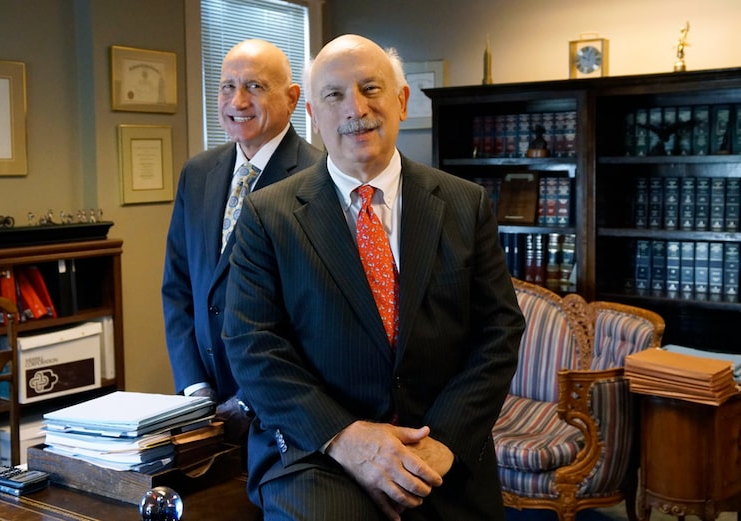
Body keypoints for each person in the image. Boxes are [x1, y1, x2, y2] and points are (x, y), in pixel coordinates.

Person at [223, 34, 525, 520]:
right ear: (313, 116)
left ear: (401, 101)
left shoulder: (465, 204)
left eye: (371, 89)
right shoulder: (267, 215)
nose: (355, 109)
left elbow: (499, 332)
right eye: (334, 95)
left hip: (437, 445)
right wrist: (346, 438)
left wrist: (443, 442)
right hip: (317, 452)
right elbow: (251, 344)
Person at [161, 39, 322, 442]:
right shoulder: (197, 173)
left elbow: (319, 316)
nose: (237, 100)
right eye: (226, 87)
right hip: (204, 407)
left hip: (285, 412)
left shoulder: (319, 178)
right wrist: (194, 385)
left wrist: (248, 400)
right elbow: (178, 286)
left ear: (291, 99)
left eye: (254, 86)